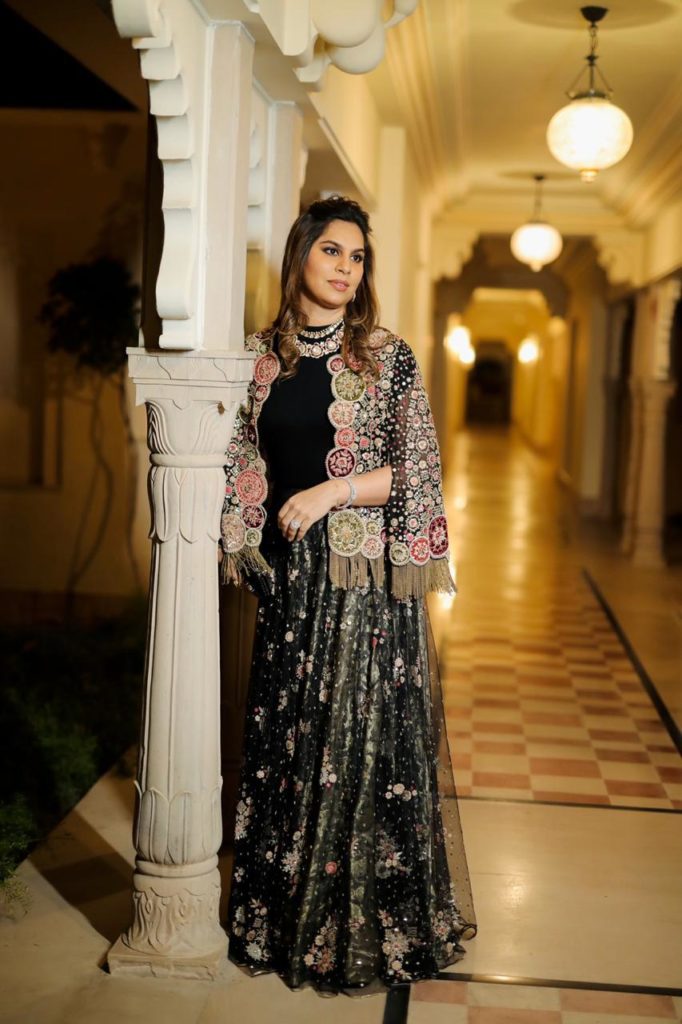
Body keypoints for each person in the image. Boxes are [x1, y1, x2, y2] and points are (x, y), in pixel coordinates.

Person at [219, 194, 476, 996]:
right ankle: (284, 920)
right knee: (290, 744)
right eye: (332, 250)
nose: (345, 268)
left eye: (357, 257)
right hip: (290, 586)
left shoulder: (385, 357)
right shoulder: (256, 358)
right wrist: (241, 534)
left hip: (362, 587)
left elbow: (417, 470)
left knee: (351, 750)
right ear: (300, 252)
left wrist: (333, 491)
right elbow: (238, 460)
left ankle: (353, 930)